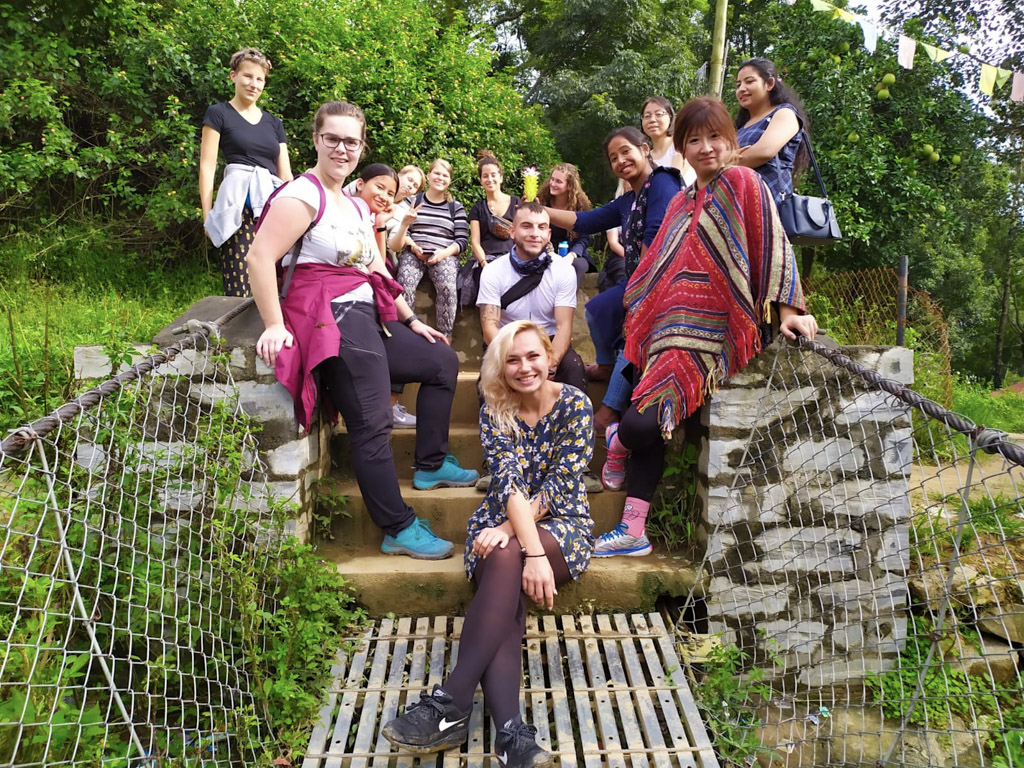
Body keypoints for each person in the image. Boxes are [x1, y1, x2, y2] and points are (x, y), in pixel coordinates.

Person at [246, 101, 478, 561]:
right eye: (332, 138)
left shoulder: (353, 204)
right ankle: (397, 526)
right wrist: (274, 324)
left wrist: (413, 321)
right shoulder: (302, 196)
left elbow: (375, 269)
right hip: (333, 320)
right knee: (372, 424)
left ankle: (430, 464)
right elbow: (259, 258)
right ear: (316, 140)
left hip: (370, 314)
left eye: (351, 141)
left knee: (441, 361)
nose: (342, 148)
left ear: (361, 146)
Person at [595, 96, 817, 557]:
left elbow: (772, 244)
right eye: (693, 140)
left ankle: (618, 444)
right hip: (665, 335)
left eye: (715, 137)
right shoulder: (682, 200)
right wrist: (642, 309)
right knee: (641, 415)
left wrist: (789, 309)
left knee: (637, 427)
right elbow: (658, 267)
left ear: (730, 140)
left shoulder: (744, 181)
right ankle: (634, 529)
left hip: (712, 337)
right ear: (681, 148)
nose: (705, 148)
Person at [382, 321, 594, 768]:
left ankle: (451, 700)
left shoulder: (575, 403)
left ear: (549, 357)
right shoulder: (496, 407)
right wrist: (520, 542)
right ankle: (513, 738)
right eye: (512, 359)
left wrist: (525, 542)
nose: (524, 367)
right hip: (500, 522)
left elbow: (559, 487)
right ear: (500, 365)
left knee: (505, 552)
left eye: (532, 356)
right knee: (504, 560)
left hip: (562, 525)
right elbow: (510, 483)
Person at [545, 127, 683, 437]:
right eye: (613, 157)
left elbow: (657, 238)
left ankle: (608, 409)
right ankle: (606, 366)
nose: (620, 160)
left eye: (626, 152)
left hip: (661, 284)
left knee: (629, 333)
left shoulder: (662, 182)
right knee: (596, 310)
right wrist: (540, 212)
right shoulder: (628, 198)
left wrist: (637, 294)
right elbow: (586, 220)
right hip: (637, 280)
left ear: (645, 149)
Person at [200, 48, 292, 297]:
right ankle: (235, 337)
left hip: (272, 208)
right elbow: (208, 166)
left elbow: (286, 174)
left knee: (275, 280)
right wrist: (208, 214)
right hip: (238, 206)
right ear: (233, 76)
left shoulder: (274, 123)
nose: (254, 84)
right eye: (247, 76)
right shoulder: (219, 113)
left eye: (260, 79)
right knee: (240, 280)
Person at [390, 159, 469, 341]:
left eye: (445, 175)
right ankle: (406, 335)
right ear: (429, 175)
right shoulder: (412, 200)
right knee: (404, 283)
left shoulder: (455, 207)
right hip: (414, 252)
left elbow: (462, 241)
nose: (440, 178)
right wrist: (412, 245)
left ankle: (445, 337)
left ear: (449, 180)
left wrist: (443, 253)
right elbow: (402, 229)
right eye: (437, 173)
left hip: (444, 255)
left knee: (448, 287)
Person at [734, 58, 810, 203]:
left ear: (769, 84)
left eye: (749, 82)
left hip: (771, 204)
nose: (741, 89)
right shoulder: (740, 128)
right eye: (738, 85)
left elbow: (764, 152)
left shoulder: (785, 113)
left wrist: (722, 160)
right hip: (739, 204)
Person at [462, 152, 521, 308]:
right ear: (481, 180)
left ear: (501, 177)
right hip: (486, 260)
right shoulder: (478, 208)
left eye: (493, 175)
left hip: (513, 258)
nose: (490, 179)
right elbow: (475, 241)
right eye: (485, 176)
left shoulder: (516, 203)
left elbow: (522, 235)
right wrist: (484, 264)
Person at [536, 163, 593, 286]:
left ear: (569, 186)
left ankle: (567, 302)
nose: (553, 183)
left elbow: (584, 238)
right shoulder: (541, 201)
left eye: (558, 181)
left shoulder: (580, 206)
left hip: (571, 252)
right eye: (552, 179)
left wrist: (572, 255)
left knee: (579, 265)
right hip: (546, 250)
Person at [640, 96, 695, 184]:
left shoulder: (679, 144)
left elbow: (674, 181)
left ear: (671, 117)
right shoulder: (645, 157)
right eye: (647, 116)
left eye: (659, 114)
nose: (652, 120)